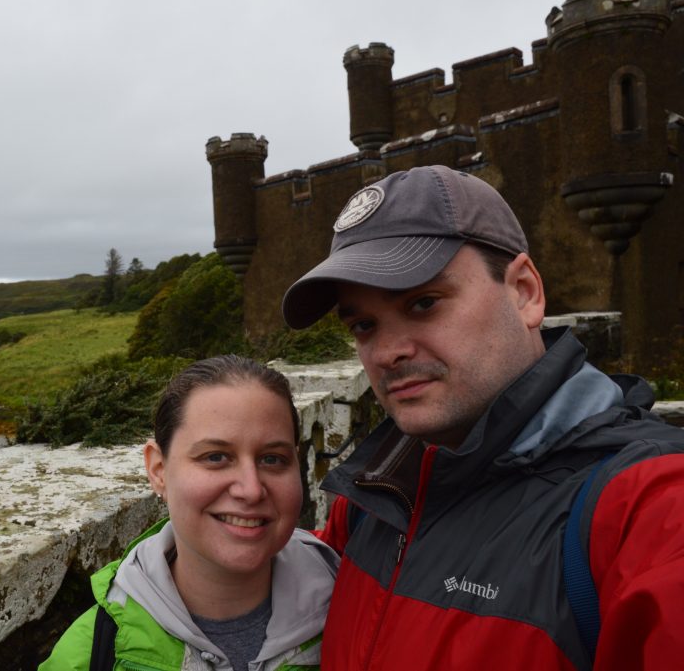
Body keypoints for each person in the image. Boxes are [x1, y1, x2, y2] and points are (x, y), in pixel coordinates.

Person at [280, 165, 684, 670]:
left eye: (424, 303)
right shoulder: (374, 494)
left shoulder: (645, 508)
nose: (386, 352)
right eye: (364, 325)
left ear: (524, 292)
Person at [39, 355, 339, 671]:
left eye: (273, 459)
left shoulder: (358, 613)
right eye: (216, 457)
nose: (251, 490)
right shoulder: (89, 655)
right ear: (158, 470)